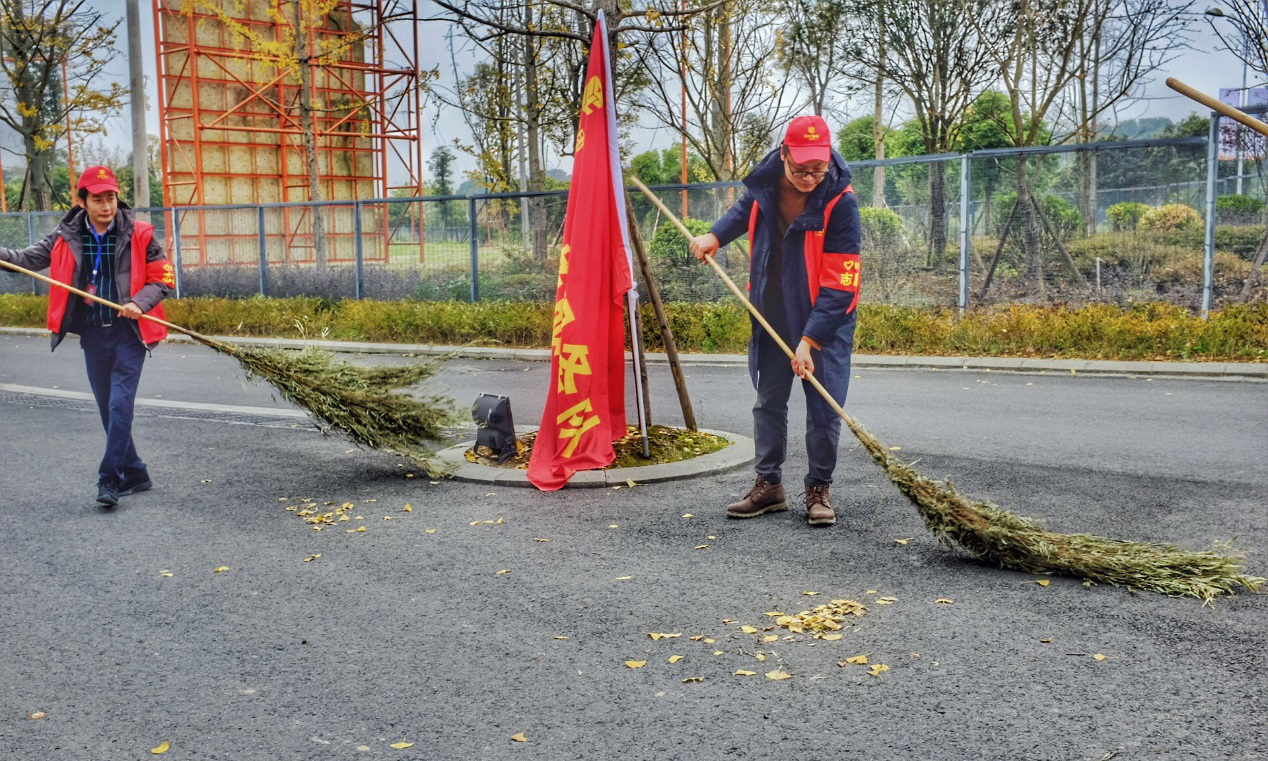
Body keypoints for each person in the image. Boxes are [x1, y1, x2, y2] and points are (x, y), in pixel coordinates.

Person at [689, 115, 861, 527]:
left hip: (824, 320)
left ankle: (818, 488)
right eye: (801, 169)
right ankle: (769, 485)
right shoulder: (767, 182)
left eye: (817, 169)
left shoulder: (841, 201)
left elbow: (842, 285)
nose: (809, 177)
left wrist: (810, 341)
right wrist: (714, 236)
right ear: (784, 154)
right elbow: (744, 209)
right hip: (771, 309)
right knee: (769, 401)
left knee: (823, 407)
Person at [0, 166, 174, 506]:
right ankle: (136, 472)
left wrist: (140, 302)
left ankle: (110, 478)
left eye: (110, 198)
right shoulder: (65, 236)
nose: (106, 206)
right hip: (93, 333)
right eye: (98, 199)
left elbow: (163, 277)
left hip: (129, 332)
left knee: (120, 405)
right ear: (81, 201)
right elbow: (26, 259)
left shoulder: (139, 233)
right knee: (108, 410)